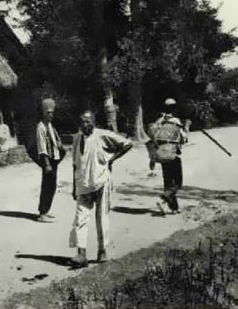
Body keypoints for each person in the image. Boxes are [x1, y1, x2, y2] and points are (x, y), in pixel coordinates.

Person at [70, 110, 132, 267]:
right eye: (82, 122)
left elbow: (127, 144)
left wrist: (111, 159)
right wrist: (74, 186)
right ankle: (81, 254)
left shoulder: (102, 135)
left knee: (101, 217)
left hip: (101, 181)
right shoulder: (76, 139)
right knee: (80, 218)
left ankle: (102, 251)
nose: (85, 124)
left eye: (88, 121)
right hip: (83, 184)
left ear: (94, 122)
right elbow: (75, 164)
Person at [146, 98, 190, 215]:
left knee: (168, 181)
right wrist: (187, 126)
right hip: (172, 154)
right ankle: (164, 198)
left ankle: (174, 207)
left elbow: (153, 138)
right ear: (174, 109)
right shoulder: (176, 121)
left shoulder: (159, 121)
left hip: (161, 154)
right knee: (178, 183)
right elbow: (184, 139)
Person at [35, 98, 66, 223]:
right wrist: (46, 164)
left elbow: (54, 141)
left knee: (52, 186)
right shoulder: (41, 127)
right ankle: (42, 213)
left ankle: (46, 210)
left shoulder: (50, 126)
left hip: (54, 159)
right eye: (48, 112)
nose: (50, 115)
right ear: (43, 112)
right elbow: (42, 148)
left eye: (52, 112)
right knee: (47, 186)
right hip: (48, 160)